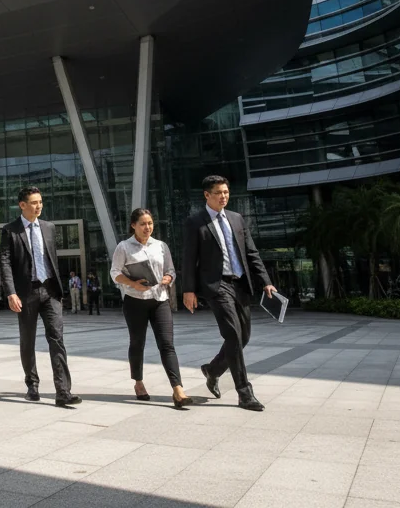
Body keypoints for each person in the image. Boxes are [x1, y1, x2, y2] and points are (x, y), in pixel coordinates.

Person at [182, 175, 277, 412]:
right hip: (216, 286)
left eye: (226, 192)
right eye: (218, 193)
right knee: (233, 335)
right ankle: (245, 393)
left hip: (241, 284)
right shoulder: (195, 222)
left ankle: (212, 370)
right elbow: (188, 259)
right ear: (207, 195)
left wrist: (265, 281)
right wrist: (188, 290)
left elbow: (251, 253)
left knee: (243, 337)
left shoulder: (236, 218)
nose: (224, 196)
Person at [0, 186, 81, 408]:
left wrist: (58, 289)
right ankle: (32, 385)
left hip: (50, 292)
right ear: (22, 205)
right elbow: (5, 263)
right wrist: (11, 292)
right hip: (26, 294)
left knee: (57, 339)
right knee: (28, 341)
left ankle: (63, 391)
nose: (39, 206)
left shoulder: (49, 227)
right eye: (34, 202)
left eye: (41, 202)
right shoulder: (10, 230)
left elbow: (51, 259)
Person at [112, 209, 191, 409]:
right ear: (133, 225)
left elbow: (171, 269)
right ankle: (138, 382)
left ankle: (178, 389)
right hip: (135, 301)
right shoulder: (124, 247)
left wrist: (169, 278)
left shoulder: (161, 246)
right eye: (143, 224)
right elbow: (115, 273)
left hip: (159, 299)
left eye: (150, 223)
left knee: (167, 344)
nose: (147, 227)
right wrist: (132, 283)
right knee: (137, 343)